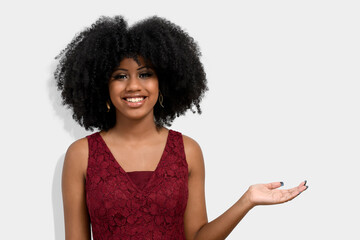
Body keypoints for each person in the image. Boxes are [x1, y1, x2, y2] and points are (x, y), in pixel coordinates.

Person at [56, 15, 308, 240]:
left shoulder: (187, 151)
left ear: (164, 81)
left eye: (145, 74)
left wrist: (247, 201)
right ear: (103, 85)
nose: (133, 86)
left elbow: (198, 237)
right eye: (120, 76)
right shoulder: (81, 155)